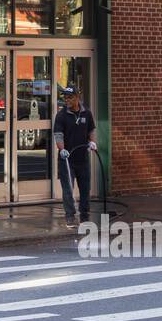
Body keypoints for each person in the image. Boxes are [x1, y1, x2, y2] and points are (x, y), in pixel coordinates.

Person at [54, 85, 96, 227]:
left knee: (85, 188)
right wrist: (62, 149)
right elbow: (58, 135)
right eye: (65, 97)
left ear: (78, 97)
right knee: (68, 190)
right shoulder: (61, 116)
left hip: (82, 158)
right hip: (67, 159)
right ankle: (70, 217)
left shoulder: (87, 114)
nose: (67, 100)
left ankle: (84, 216)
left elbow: (91, 130)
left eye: (70, 97)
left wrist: (92, 142)